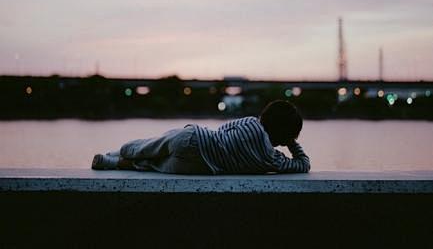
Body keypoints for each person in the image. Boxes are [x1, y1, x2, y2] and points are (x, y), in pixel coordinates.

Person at [92, 100, 310, 176]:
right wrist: (290, 141)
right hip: (200, 166)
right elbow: (303, 164)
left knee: (146, 147)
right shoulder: (271, 160)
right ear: (283, 138)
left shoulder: (251, 123)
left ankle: (114, 153)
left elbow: (225, 129)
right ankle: (111, 163)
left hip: (195, 137)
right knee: (150, 165)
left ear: (265, 116)